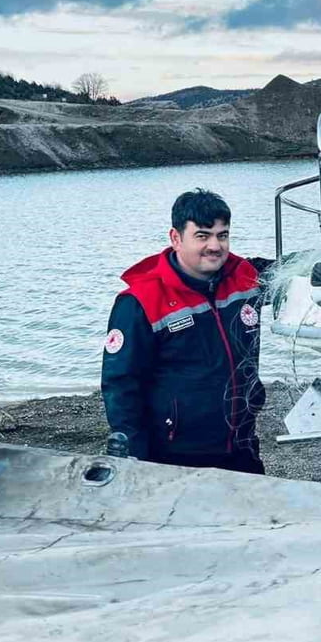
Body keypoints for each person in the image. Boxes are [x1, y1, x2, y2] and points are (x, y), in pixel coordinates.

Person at [102, 189, 269, 474]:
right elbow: (121, 385)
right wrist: (135, 456)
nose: (215, 246)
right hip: (176, 455)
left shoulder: (246, 278)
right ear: (176, 238)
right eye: (202, 236)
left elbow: (295, 273)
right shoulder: (140, 302)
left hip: (240, 446)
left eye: (223, 235)